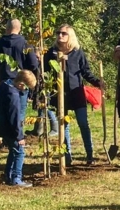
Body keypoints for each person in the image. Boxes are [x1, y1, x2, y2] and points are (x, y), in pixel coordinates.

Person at [42, 25, 104, 167]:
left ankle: (90, 154)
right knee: (64, 125)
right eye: (58, 33)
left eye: (64, 33)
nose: (60, 35)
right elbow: (44, 71)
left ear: (70, 36)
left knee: (83, 123)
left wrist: (96, 82)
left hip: (76, 93)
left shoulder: (77, 52)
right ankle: (66, 156)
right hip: (58, 94)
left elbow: (85, 71)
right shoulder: (51, 53)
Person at [0, 18, 40, 130]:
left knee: (5, 112)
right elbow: (33, 64)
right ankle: (18, 138)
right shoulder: (26, 44)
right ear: (19, 29)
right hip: (22, 82)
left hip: (5, 83)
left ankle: (7, 140)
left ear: (7, 28)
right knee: (19, 112)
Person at [0, 69, 36, 187]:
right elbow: (15, 118)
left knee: (13, 151)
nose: (25, 91)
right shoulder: (13, 95)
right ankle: (16, 178)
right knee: (20, 152)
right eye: (26, 88)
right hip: (11, 130)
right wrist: (19, 136)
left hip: (3, 127)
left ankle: (8, 175)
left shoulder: (4, 85)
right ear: (21, 84)